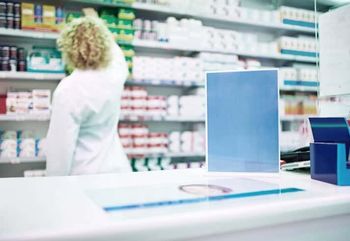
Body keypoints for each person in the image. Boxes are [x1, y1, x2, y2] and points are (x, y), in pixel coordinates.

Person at [46, 16, 131, 176]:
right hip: (117, 170)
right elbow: (116, 53)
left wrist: (53, 186)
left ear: (69, 49)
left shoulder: (69, 88)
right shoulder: (115, 76)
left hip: (85, 174)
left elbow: (60, 149)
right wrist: (97, 28)